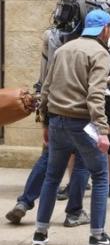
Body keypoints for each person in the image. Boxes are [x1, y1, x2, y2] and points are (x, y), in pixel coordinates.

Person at [32, 9, 110, 245]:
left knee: (52, 176)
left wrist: (46, 123)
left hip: (57, 122)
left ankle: (40, 232)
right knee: (100, 176)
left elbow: (46, 88)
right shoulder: (100, 54)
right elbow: (95, 95)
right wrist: (102, 131)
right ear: (105, 29)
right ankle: (97, 237)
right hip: (82, 124)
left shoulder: (62, 50)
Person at [5, 24, 89, 227]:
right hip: (81, 116)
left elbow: (45, 84)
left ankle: (24, 203)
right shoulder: (92, 46)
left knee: (47, 160)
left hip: (56, 114)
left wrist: (45, 119)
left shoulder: (52, 38)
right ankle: (74, 213)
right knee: (81, 163)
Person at [57, 22, 110, 202]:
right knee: (74, 142)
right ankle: (73, 183)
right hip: (82, 95)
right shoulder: (86, 42)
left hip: (106, 95)